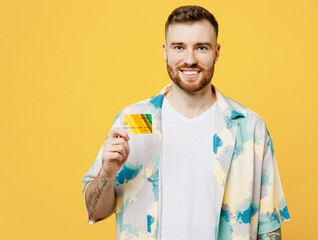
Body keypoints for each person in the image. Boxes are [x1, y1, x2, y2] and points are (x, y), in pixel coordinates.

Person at [82, 5, 290, 240]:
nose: (190, 60)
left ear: (217, 52)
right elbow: (94, 211)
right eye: (179, 47)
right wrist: (107, 172)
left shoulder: (249, 128)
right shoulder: (133, 122)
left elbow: (269, 228)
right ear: (165, 51)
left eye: (201, 48)